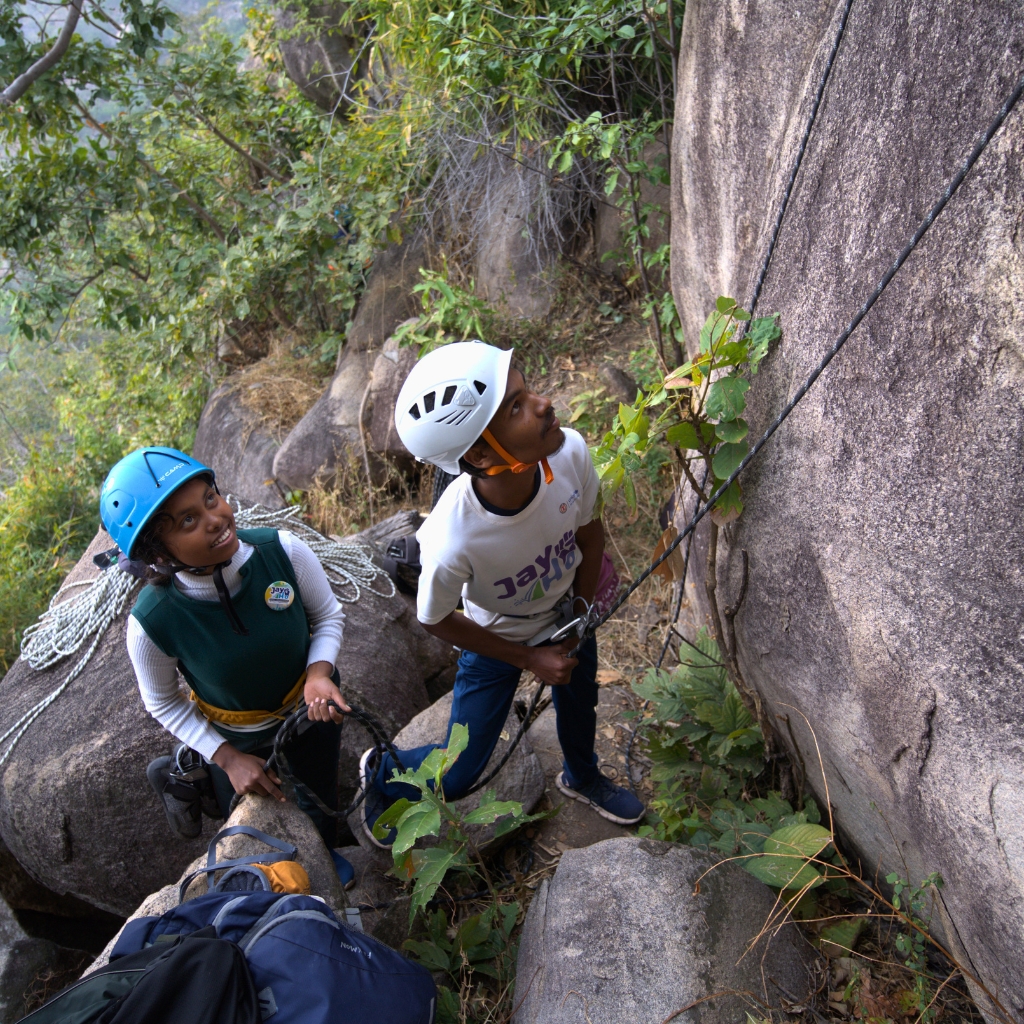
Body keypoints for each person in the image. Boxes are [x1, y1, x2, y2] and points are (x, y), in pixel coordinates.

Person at [359, 341, 644, 846]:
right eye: (516, 407)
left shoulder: (570, 453)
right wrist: (528, 658)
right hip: (498, 639)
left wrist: (580, 613)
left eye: (526, 390)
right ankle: (383, 771)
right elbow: (435, 618)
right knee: (458, 771)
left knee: (579, 702)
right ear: (481, 454)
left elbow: (590, 532)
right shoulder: (455, 537)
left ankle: (582, 776)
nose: (542, 403)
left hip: (565, 615)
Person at [100, 447, 351, 854]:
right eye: (188, 521)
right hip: (233, 732)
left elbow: (327, 616)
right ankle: (195, 769)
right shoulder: (153, 623)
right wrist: (229, 759)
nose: (215, 519)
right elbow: (162, 701)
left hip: (309, 707)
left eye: (210, 500)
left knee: (318, 793)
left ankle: (325, 855)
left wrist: (319, 673)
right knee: (241, 808)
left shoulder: (281, 552)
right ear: (159, 554)